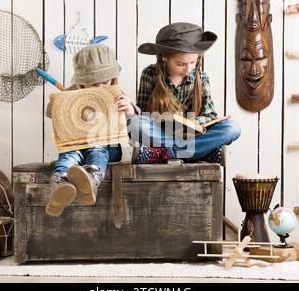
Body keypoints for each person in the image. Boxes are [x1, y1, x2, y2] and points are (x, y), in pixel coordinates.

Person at [45, 44, 138, 217]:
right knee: (70, 153)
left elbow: (136, 121)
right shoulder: (73, 91)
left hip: (108, 146)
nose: (101, 87)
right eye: (93, 83)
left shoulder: (117, 94)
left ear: (113, 77)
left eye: (105, 81)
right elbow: (50, 113)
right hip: (78, 143)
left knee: (97, 148)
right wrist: (61, 102)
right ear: (80, 81)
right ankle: (60, 183)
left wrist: (130, 109)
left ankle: (91, 178)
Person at [129, 22, 241, 163]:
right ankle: (200, 153)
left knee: (232, 128)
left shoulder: (201, 77)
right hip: (162, 133)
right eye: (180, 64)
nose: (188, 69)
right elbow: (144, 115)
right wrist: (165, 121)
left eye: (193, 62)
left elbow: (211, 116)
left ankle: (162, 153)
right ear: (165, 57)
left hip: (193, 136)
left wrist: (192, 123)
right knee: (136, 124)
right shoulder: (150, 73)